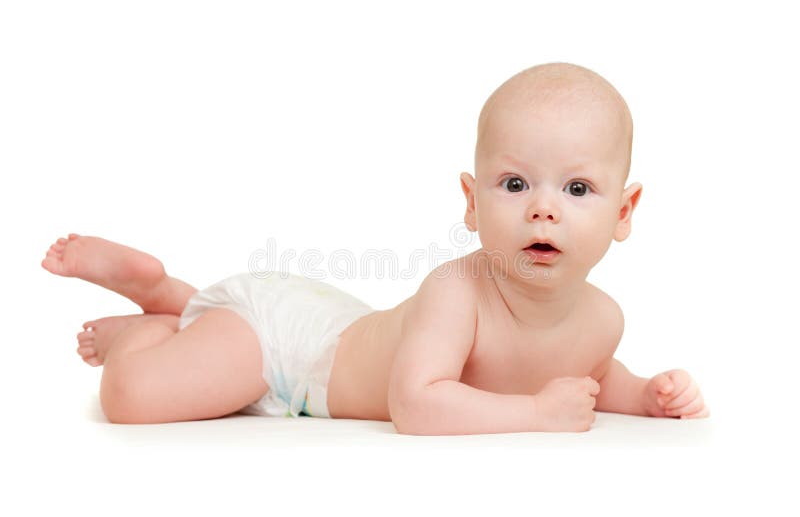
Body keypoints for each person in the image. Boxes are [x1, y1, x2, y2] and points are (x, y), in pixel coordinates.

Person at [41, 62, 709, 435]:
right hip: (287, 351)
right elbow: (415, 404)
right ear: (473, 203)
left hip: (335, 323)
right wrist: (535, 414)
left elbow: (586, 376)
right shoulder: (458, 291)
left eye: (578, 188)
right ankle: (145, 318)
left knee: (206, 353)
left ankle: (176, 305)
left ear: (623, 212)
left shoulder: (603, 318)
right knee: (130, 400)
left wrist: (647, 393)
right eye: (514, 183)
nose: (543, 206)